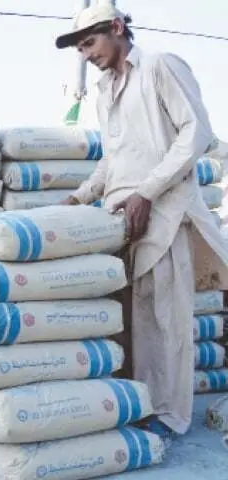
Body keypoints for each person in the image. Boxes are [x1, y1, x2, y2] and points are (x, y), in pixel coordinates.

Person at [55, 3, 228, 444]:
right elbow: (114, 159)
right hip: (124, 219)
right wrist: (80, 196)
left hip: (165, 211)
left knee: (165, 319)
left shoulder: (158, 67)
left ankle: (170, 418)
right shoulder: (105, 91)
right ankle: (144, 405)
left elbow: (196, 133)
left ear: (116, 28)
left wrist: (147, 192)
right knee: (134, 321)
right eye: (79, 48)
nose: (86, 54)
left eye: (89, 43)